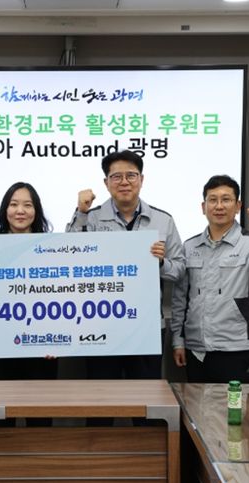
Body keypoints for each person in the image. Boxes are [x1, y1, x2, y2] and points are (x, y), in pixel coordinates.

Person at [66, 150, 182, 381]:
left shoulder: (163, 220)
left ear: (141, 179)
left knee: (146, 396)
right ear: (106, 183)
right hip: (100, 325)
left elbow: (180, 270)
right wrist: (81, 212)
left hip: (147, 326)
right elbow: (69, 257)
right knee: (101, 397)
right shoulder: (90, 218)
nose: (124, 182)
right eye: (116, 177)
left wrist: (161, 263)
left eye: (131, 175)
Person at [170, 175, 249, 384]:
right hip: (196, 349)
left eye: (226, 199)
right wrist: (178, 340)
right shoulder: (190, 246)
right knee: (197, 404)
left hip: (235, 347)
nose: (219, 206)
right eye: (213, 200)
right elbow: (180, 298)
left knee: (234, 406)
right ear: (203, 207)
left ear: (238, 206)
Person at [0, 182, 58, 384]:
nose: (20, 211)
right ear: (5, 210)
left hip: (41, 345)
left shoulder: (52, 248)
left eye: (27, 205)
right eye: (14, 204)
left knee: (40, 403)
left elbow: (63, 295)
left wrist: (60, 340)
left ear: (36, 211)